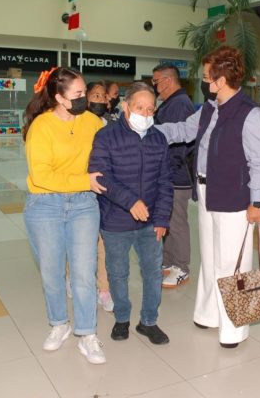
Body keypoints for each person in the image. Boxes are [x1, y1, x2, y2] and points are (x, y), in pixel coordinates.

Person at [154, 46, 260, 348]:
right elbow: (183, 131)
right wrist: (148, 130)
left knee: (232, 264)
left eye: (208, 76)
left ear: (221, 79)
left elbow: (259, 163)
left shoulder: (250, 114)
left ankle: (234, 328)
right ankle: (209, 314)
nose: (205, 81)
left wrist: (256, 203)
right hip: (207, 191)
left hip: (235, 197)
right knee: (209, 257)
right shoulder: (209, 109)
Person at [22, 67, 107, 365]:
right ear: (59, 98)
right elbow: (41, 176)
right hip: (45, 205)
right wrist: (85, 180)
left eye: (85, 91)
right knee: (52, 272)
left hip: (84, 204)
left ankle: (87, 333)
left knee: (84, 272)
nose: (86, 98)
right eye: (79, 93)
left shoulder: (92, 121)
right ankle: (59, 323)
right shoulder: (41, 127)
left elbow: (109, 150)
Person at [89, 81, 173, 346]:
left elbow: (165, 181)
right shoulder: (106, 136)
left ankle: (148, 321)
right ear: (126, 107)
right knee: (117, 273)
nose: (146, 114)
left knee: (152, 272)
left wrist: (162, 218)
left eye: (150, 109)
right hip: (115, 221)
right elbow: (101, 177)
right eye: (140, 108)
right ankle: (122, 318)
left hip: (151, 222)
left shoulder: (158, 138)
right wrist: (130, 202)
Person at [152, 63, 195, 288]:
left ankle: (181, 267)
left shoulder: (180, 104)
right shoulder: (170, 103)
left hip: (176, 176)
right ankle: (168, 262)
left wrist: (166, 171)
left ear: (168, 80)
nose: (155, 86)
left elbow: (180, 145)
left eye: (156, 81)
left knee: (176, 222)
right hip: (168, 174)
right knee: (166, 219)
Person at [84, 80, 115, 312]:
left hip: (105, 194)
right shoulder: (77, 124)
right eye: (95, 95)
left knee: (104, 244)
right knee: (82, 243)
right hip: (82, 192)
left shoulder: (112, 125)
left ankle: (104, 289)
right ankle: (74, 279)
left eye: (103, 96)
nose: (100, 100)